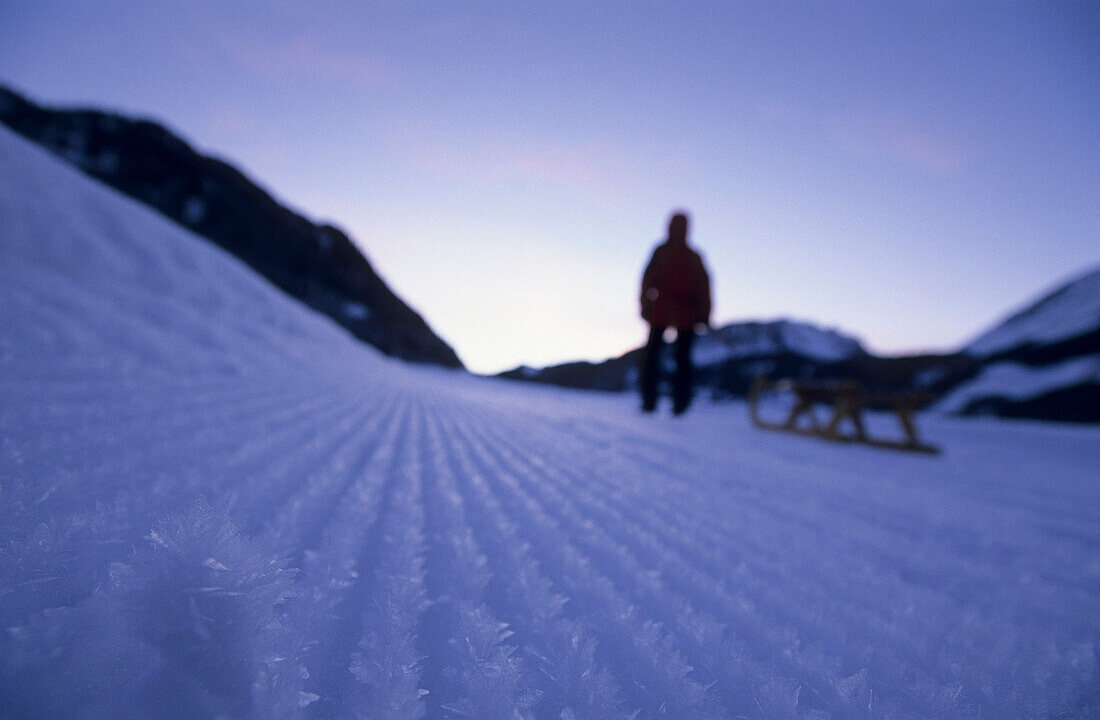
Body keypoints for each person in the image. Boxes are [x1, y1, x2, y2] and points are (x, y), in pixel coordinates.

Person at [639, 211, 712, 415]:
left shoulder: (675, 253)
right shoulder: (688, 255)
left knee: (663, 357)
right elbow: (704, 286)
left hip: (672, 312)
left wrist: (645, 305)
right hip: (671, 311)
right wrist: (704, 313)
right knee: (670, 358)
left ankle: (655, 401)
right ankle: (669, 402)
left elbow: (647, 281)